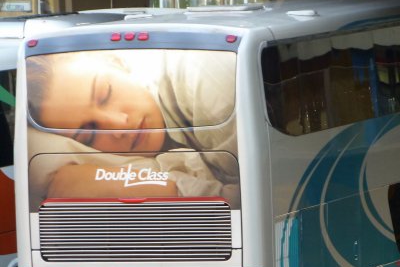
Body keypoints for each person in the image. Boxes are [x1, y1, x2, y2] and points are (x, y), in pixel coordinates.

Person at [25, 49, 240, 208]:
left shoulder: (207, 87)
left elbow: (256, 209)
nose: (119, 125)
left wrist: (150, 188)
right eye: (90, 135)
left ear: (116, 60)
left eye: (106, 94)